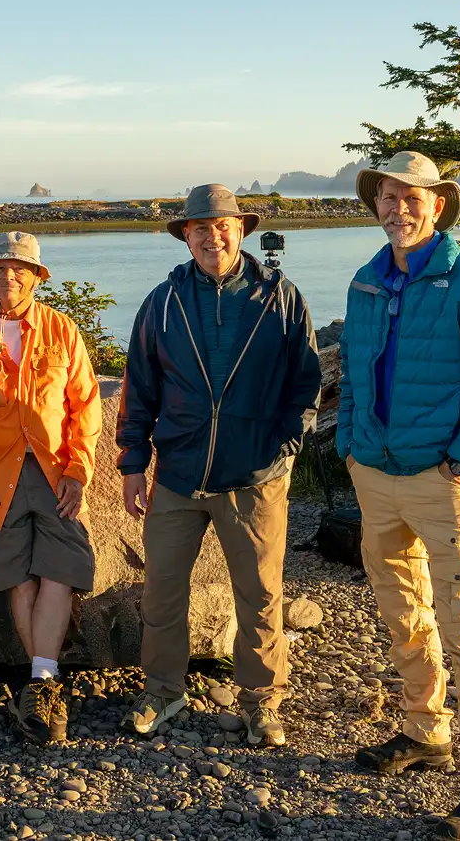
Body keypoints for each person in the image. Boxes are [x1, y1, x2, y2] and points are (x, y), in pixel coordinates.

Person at [338, 151, 460, 841]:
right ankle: (426, 731)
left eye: (413, 197)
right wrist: (349, 442)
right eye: (390, 196)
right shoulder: (367, 280)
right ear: (379, 203)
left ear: (438, 205)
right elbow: (358, 375)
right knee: (402, 616)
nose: (400, 208)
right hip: (375, 476)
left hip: (440, 479)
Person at [116, 184, 321, 748]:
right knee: (161, 590)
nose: (212, 236)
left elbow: (305, 384)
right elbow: (140, 389)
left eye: (222, 225)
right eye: (199, 228)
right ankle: (163, 690)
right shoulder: (162, 302)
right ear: (186, 236)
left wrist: (284, 449)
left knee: (259, 593)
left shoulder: (280, 297)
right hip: (178, 473)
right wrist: (134, 462)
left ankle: (260, 701)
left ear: (241, 230)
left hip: (254, 477)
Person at [0, 231, 102, 745]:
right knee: (18, 578)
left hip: (55, 473)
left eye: (20, 270)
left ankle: (40, 681)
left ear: (36, 277)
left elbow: (85, 407)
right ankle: (46, 684)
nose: (8, 278)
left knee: (59, 570)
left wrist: (78, 471)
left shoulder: (63, 331)